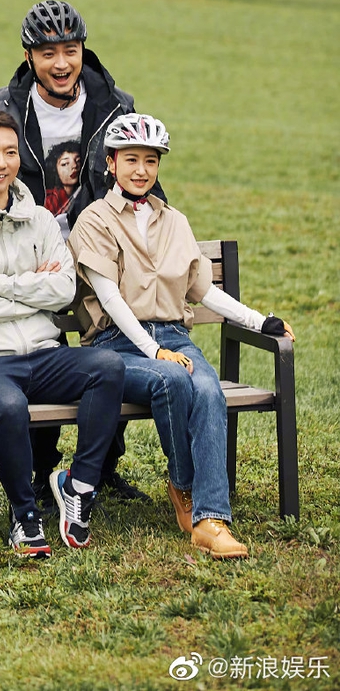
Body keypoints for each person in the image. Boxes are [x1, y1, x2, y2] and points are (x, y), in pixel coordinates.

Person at [68, 113, 296, 559]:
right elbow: (111, 299)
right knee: (170, 380)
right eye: (130, 159)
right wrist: (154, 352)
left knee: (208, 388)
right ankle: (183, 485)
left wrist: (258, 321)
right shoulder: (93, 221)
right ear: (110, 164)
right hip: (115, 345)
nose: (141, 170)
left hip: (174, 335)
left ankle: (211, 520)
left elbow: (203, 289)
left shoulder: (175, 221)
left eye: (150, 161)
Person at [0, 109, 126, 555]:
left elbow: (64, 289)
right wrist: (34, 285)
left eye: (10, 152)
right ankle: (24, 515)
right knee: (11, 407)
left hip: (44, 352)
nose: (0, 163)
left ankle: (79, 487)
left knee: (109, 367)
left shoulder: (40, 220)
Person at [0, 0, 153, 505]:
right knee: (39, 350)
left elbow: (137, 173)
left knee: (108, 349)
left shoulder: (116, 104)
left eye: (70, 51)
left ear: (83, 51)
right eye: (48, 52)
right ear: (28, 56)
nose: (61, 63)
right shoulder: (3, 107)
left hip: (96, 250)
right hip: (26, 252)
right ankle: (40, 472)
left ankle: (99, 469)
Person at [43, 141, 82, 218]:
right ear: (55, 169)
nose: (74, 166)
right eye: (65, 164)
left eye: (78, 161)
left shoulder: (86, 194)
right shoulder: (48, 200)